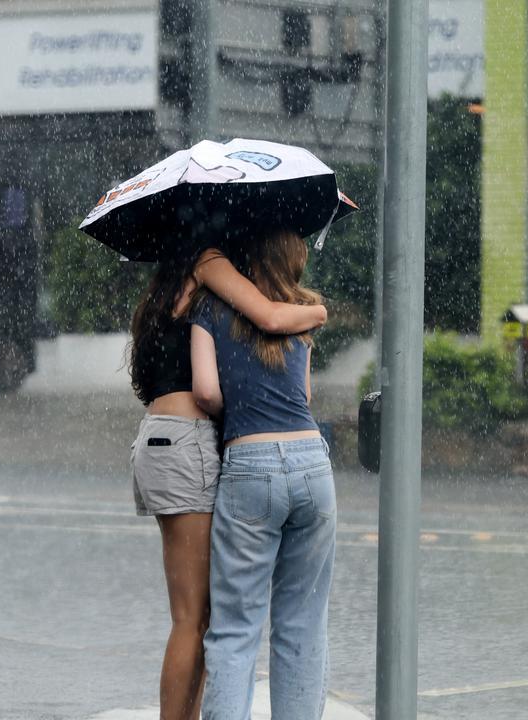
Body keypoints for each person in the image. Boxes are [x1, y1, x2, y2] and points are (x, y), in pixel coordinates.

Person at [128, 246, 327, 720]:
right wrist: (316, 310)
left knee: (195, 616)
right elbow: (269, 316)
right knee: (195, 619)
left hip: (158, 436)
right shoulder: (207, 261)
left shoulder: (167, 285)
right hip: (190, 440)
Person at [190, 229, 336, 720]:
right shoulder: (303, 314)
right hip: (312, 462)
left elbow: (206, 391)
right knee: (302, 623)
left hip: (249, 462)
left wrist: (241, 404)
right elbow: (307, 398)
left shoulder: (209, 309)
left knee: (235, 628)